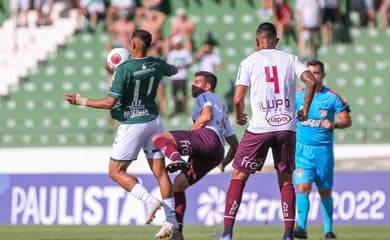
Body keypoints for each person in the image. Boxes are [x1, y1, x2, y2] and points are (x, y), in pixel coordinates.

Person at [64, 29, 179, 239]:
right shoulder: (158, 63)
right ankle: (171, 222)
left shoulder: (124, 69)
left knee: (116, 171)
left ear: (132, 45)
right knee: (160, 172)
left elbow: (110, 102)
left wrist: (82, 101)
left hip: (133, 123)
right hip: (154, 120)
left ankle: (148, 200)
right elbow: (175, 70)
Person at [218, 22, 316, 240]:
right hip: (286, 127)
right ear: (277, 40)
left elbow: (238, 98)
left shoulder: (249, 61)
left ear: (257, 41)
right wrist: (305, 109)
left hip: (259, 128)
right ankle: (289, 234)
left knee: (239, 176)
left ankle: (226, 234)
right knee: (286, 180)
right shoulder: (289, 59)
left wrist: (239, 114)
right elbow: (310, 80)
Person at [152, 71, 239, 240]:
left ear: (208, 86)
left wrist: (190, 134)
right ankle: (177, 235)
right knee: (178, 185)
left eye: (198, 81)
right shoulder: (221, 107)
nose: (193, 84)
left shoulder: (206, 96)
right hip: (216, 152)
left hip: (206, 138)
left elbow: (206, 116)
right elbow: (235, 144)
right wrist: (223, 163)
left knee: (159, 139)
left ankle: (176, 158)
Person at [293, 59, 352, 240]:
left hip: (323, 152)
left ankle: (328, 231)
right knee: (302, 187)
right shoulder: (296, 95)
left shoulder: (332, 97)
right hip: (302, 150)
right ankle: (301, 228)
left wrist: (334, 124)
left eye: (317, 73)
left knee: (324, 191)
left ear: (323, 75)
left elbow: (347, 120)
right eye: (309, 72)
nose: (313, 76)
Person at [166, 35, 193, 116]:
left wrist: (182, 65)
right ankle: (174, 111)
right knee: (174, 95)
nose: (176, 45)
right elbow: (169, 64)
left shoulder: (185, 52)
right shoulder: (171, 53)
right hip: (174, 77)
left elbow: (190, 62)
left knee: (184, 94)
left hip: (182, 76)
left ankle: (186, 111)